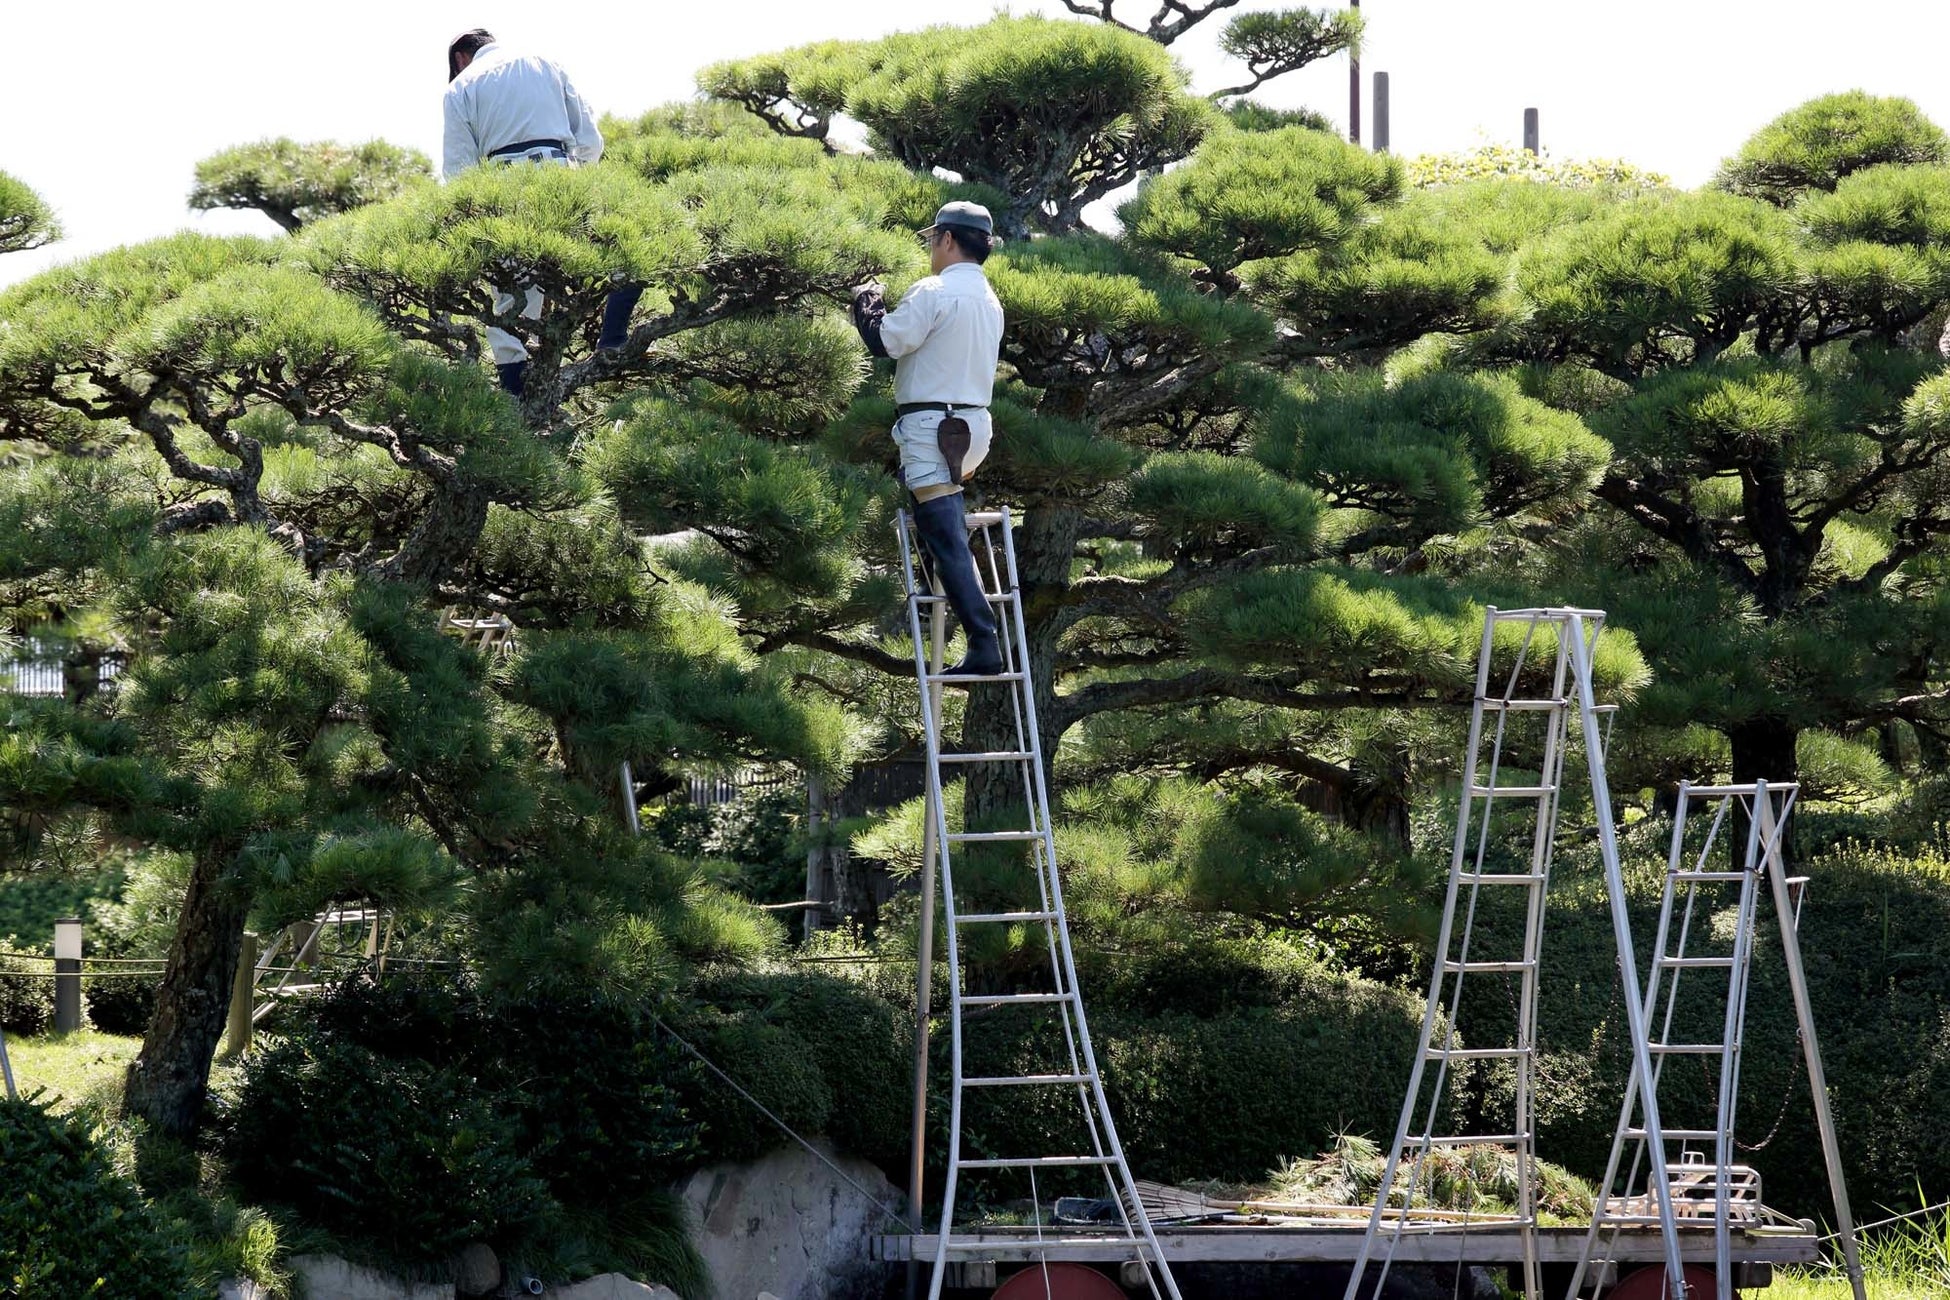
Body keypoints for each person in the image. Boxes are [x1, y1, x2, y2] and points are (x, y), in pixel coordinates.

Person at [852, 201, 1006, 678]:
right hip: (973, 428)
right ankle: (973, 631)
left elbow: (885, 342)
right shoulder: (989, 297)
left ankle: (984, 641)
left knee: (945, 538)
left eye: (931, 240)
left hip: (933, 430)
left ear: (946, 239)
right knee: (942, 527)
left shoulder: (934, 290)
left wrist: (866, 300)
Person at [442, 28, 641, 397]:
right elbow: (590, 139)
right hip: (559, 175)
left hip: (503, 188)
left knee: (511, 302)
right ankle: (612, 339)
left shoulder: (461, 87)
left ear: (460, 58)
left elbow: (459, 173)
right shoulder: (545, 62)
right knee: (627, 254)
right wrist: (575, 176)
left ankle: (517, 400)